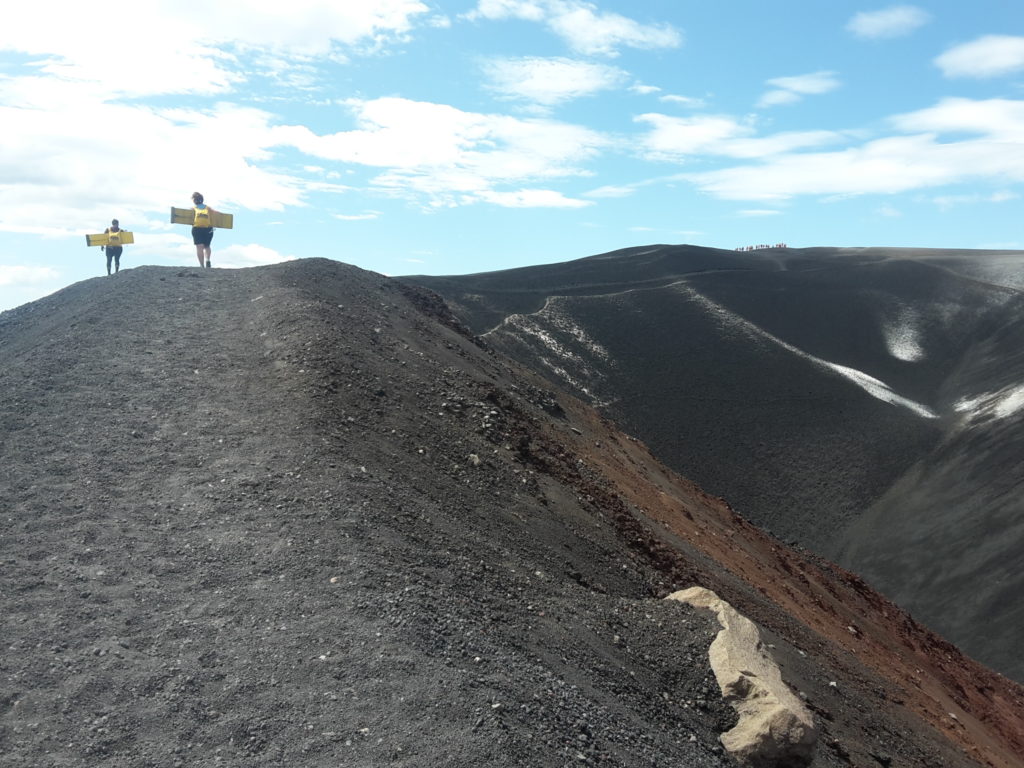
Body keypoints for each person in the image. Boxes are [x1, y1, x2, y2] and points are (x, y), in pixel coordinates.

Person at [190, 192, 218, 268]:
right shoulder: (207, 208)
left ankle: (203, 265)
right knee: (206, 246)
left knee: (201, 246)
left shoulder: (194, 208)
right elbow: (216, 214)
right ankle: (206, 261)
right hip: (205, 228)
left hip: (199, 228)